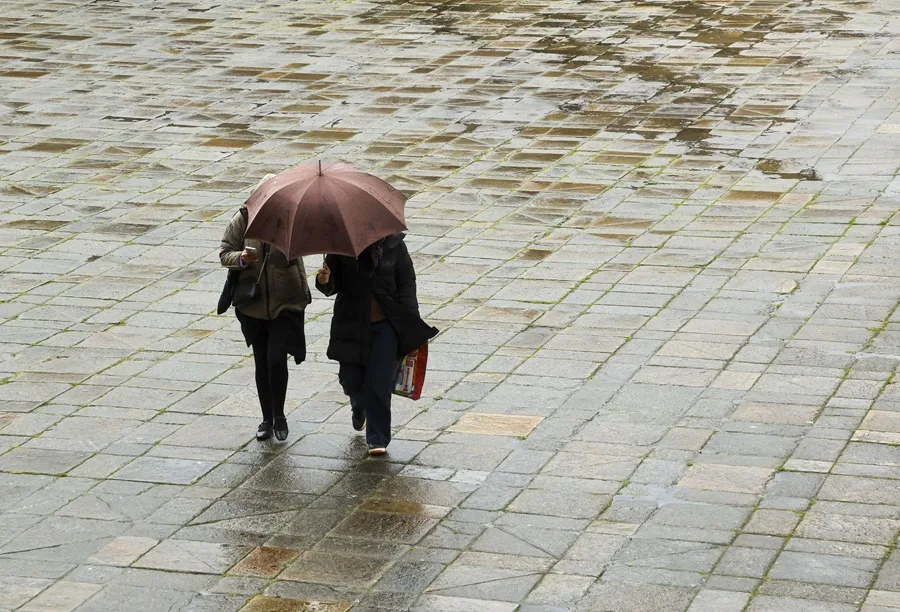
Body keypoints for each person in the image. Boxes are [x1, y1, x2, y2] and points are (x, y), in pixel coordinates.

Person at [316, 233, 436, 455]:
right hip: (351, 323)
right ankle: (358, 405)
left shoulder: (394, 245)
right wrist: (324, 281)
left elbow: (406, 284)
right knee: (350, 379)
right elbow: (332, 284)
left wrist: (411, 324)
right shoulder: (341, 245)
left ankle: (377, 438)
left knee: (378, 382)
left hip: (385, 325)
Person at [220, 207, 311, 442]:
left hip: (285, 302)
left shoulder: (290, 219)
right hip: (253, 305)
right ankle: (266, 418)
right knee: (261, 361)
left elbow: (301, 254)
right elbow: (225, 253)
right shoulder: (243, 218)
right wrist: (241, 258)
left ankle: (279, 415)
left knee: (276, 359)